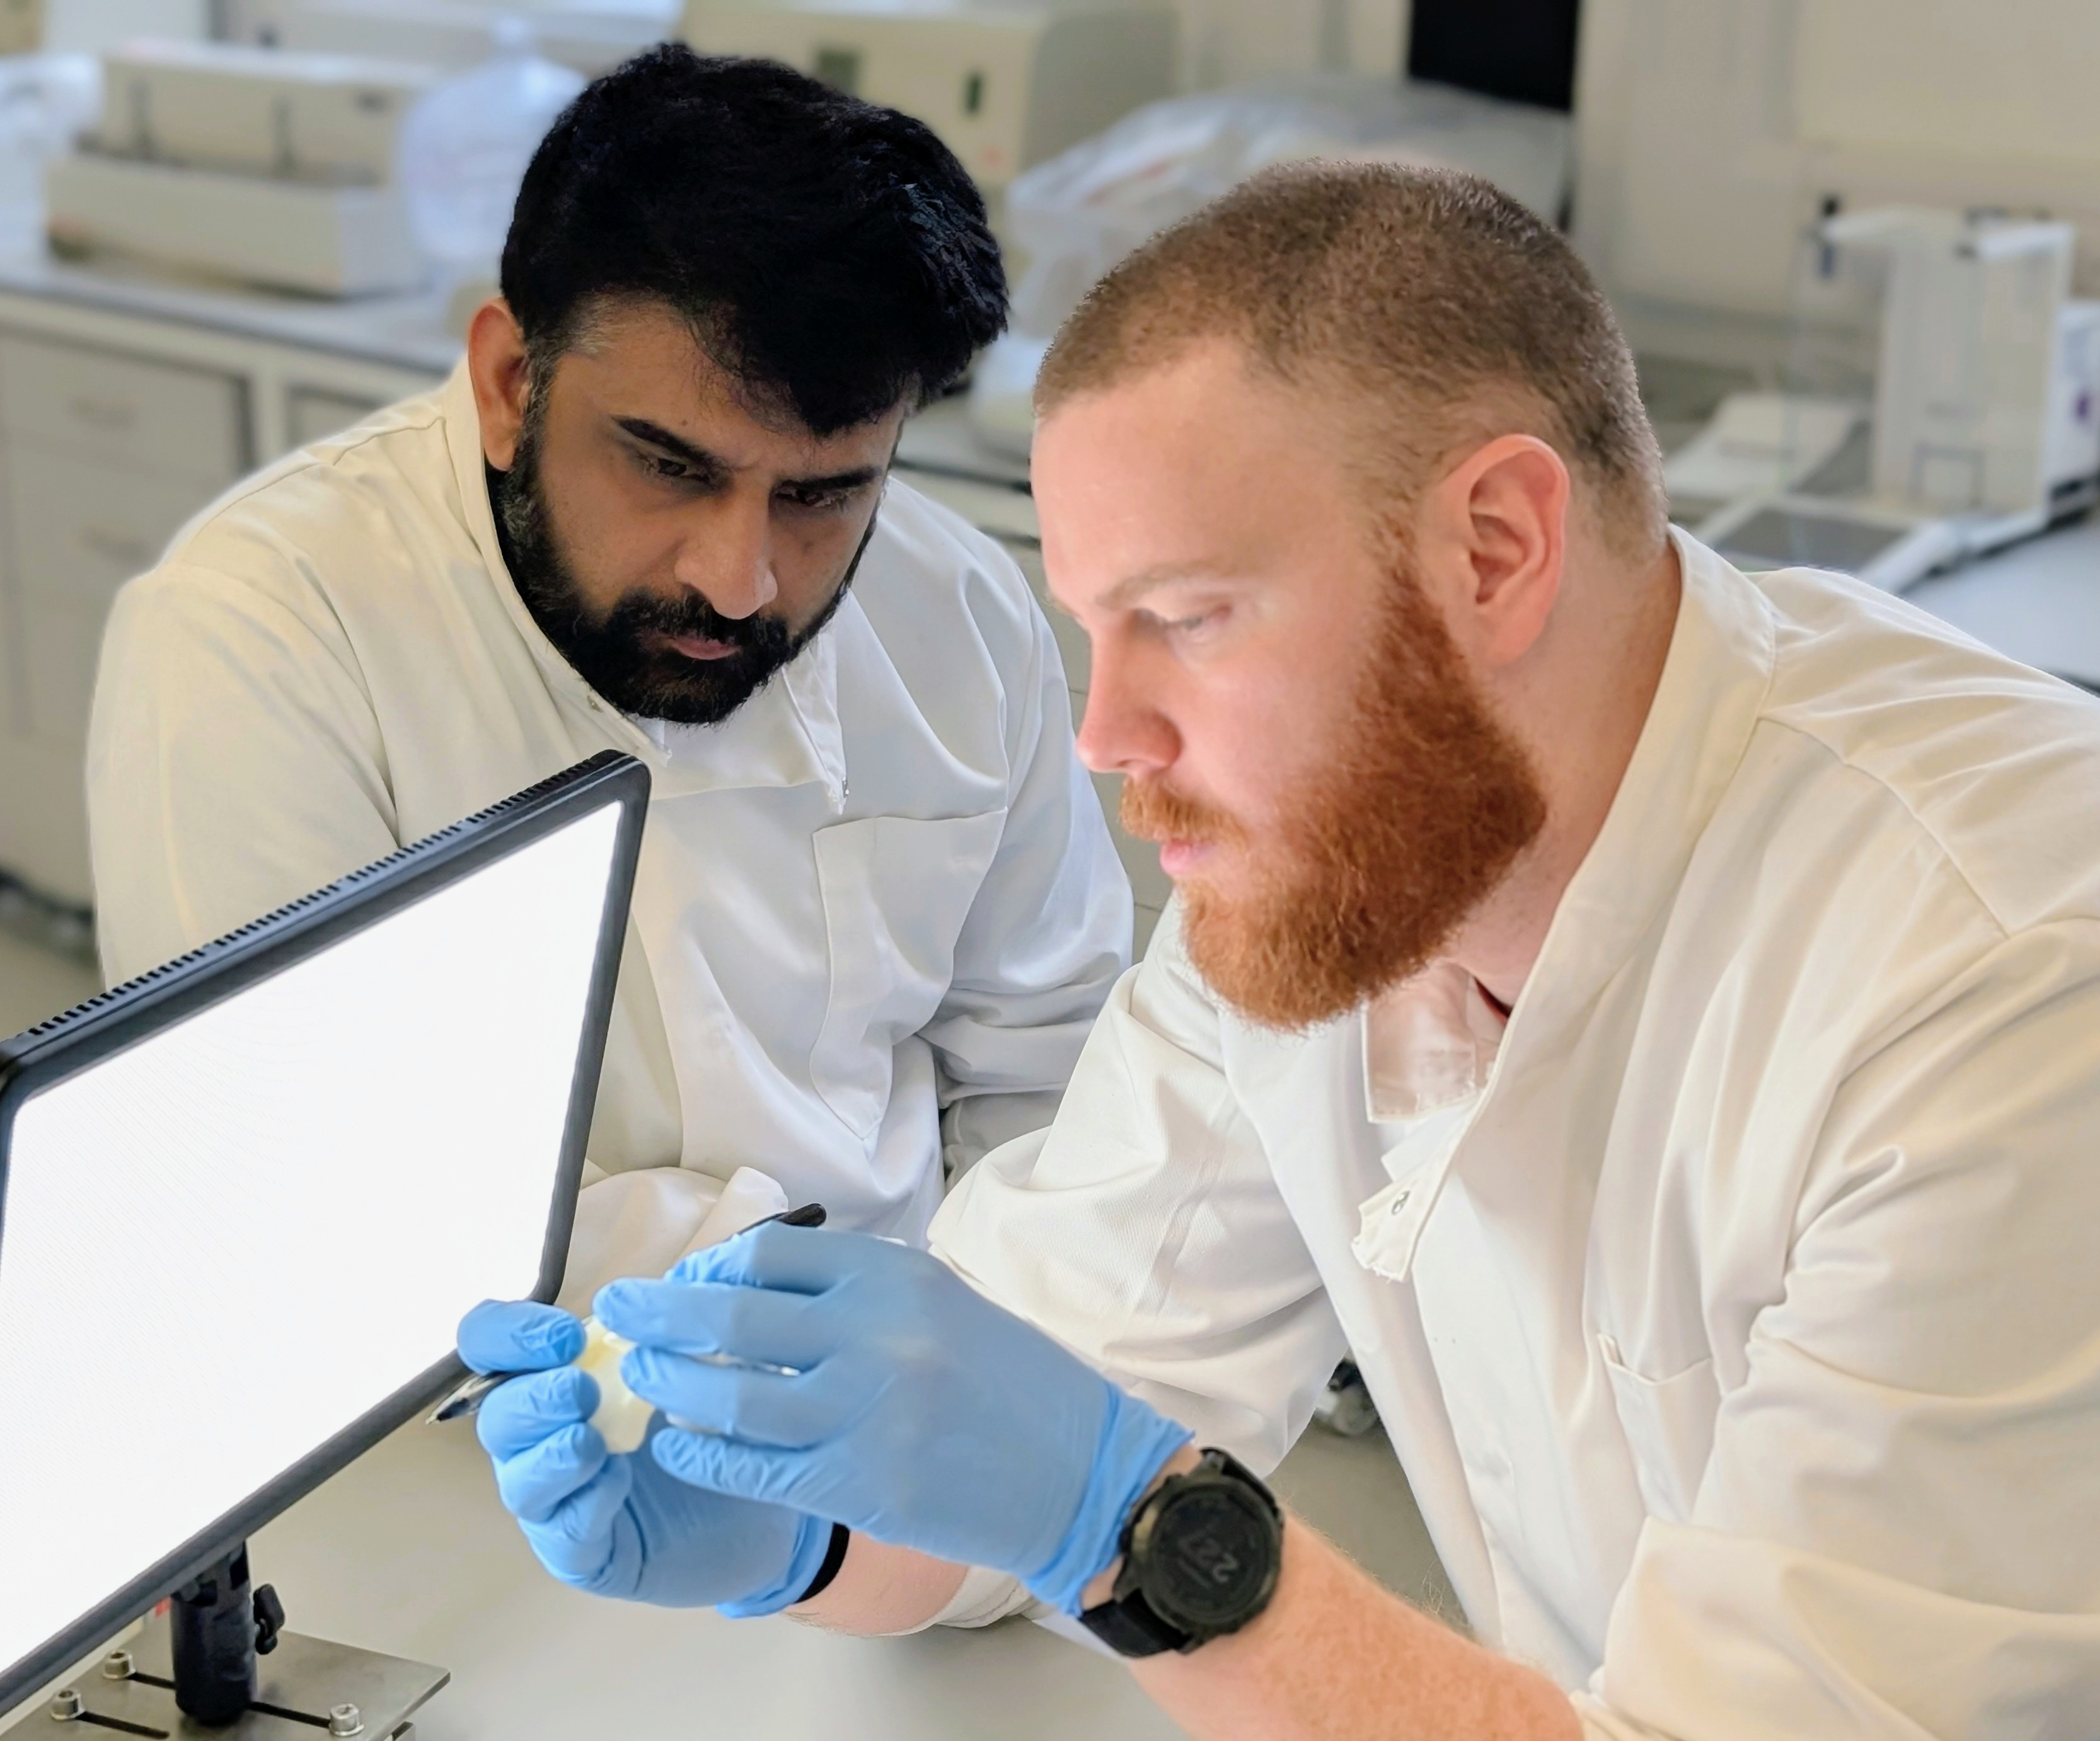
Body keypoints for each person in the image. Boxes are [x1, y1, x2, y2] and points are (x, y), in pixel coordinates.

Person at [458, 163, 2100, 1727]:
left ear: (1493, 550)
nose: (1105, 732)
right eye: (1097, 628)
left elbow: (1082, 1484)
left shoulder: (2003, 978)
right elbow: (1046, 1398)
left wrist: (1134, 1529)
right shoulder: (1352, 870)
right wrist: (796, 1517)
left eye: (1183, 618)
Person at [88, 49, 1130, 1258]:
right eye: (670, 466)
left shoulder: (961, 612)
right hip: (465, 1413)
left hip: (906, 1354)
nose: (738, 581)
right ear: (508, 383)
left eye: (823, 496)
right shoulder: (268, 633)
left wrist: (984, 1348)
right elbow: (281, 1174)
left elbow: (1053, 1068)